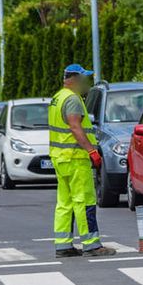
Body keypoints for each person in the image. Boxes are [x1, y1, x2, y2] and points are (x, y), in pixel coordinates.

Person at [48, 64, 116, 258]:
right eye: (83, 78)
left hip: (60, 159)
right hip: (75, 158)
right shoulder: (72, 99)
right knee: (84, 200)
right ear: (74, 79)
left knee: (65, 203)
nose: (85, 82)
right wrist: (92, 151)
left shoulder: (57, 97)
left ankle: (63, 245)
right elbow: (75, 127)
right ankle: (91, 244)